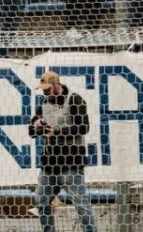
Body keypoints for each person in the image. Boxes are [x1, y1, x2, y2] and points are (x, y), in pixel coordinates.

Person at [30, 71, 97, 232]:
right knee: (41, 200)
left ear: (57, 85)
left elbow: (83, 127)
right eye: (43, 90)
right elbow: (32, 131)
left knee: (81, 204)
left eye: (47, 89)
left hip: (71, 163)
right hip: (50, 165)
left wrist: (57, 132)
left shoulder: (74, 100)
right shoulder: (43, 104)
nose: (45, 93)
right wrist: (36, 125)